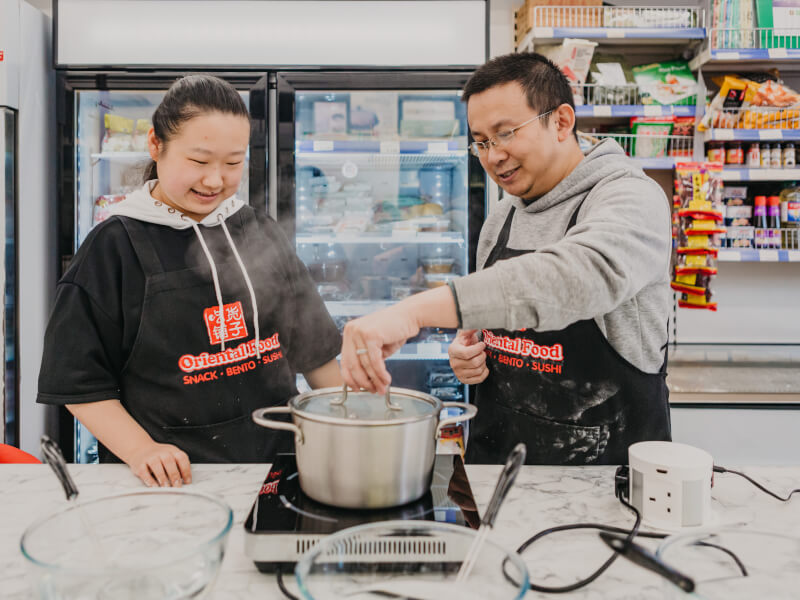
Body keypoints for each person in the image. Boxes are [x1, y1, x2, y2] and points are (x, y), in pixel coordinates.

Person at [340, 52, 672, 465]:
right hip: (495, 468)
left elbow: (578, 278)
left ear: (562, 122)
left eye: (506, 133)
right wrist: (474, 355)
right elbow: (500, 320)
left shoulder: (630, 199)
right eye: (481, 141)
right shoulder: (502, 217)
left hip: (603, 483)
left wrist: (414, 312)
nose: (493, 155)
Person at [37, 75, 342, 486]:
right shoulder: (113, 248)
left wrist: (351, 420)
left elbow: (315, 352)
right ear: (155, 145)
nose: (215, 180)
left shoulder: (259, 231)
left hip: (280, 468)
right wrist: (141, 449)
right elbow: (78, 380)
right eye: (199, 162)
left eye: (233, 163)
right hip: (170, 481)